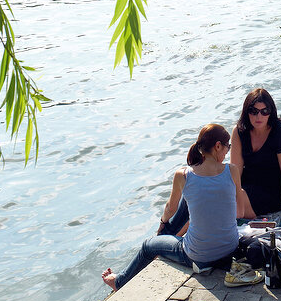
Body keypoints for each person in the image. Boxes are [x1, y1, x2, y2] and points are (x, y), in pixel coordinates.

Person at [101, 124, 244, 291]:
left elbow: (170, 208)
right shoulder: (232, 171)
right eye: (228, 147)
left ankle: (119, 282)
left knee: (148, 245)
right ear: (218, 146)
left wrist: (163, 221)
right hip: (230, 247)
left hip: (199, 256)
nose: (227, 151)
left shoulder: (183, 175)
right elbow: (239, 212)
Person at [231, 88, 281, 220]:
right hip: (245, 187)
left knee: (222, 203)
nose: (259, 117)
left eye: (264, 111)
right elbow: (235, 172)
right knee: (208, 193)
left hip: (270, 192)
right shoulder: (240, 131)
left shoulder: (280, 133)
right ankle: (179, 231)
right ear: (246, 112)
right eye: (253, 111)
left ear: (271, 112)